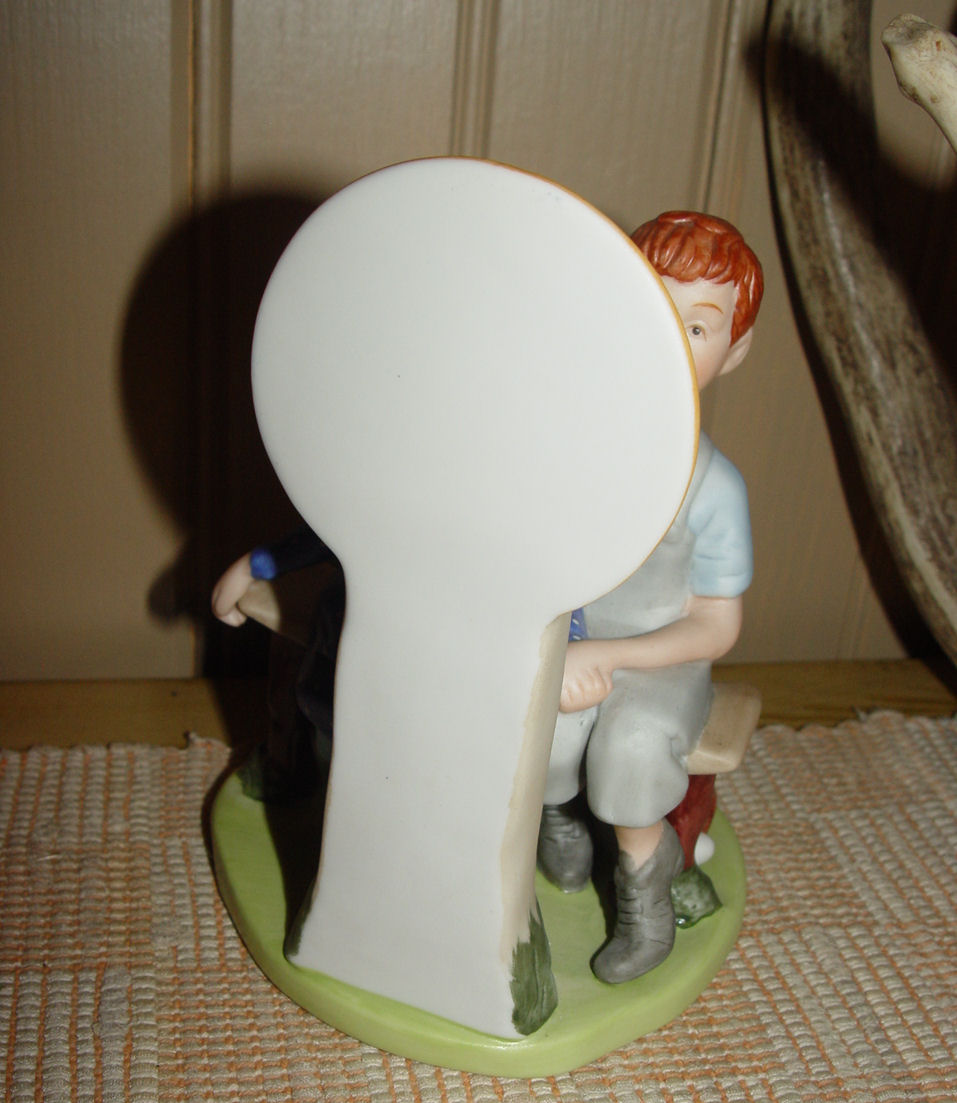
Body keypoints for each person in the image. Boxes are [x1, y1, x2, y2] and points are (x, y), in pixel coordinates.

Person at [538, 210, 763, 984]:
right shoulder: (570, 453)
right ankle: (557, 818)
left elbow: (715, 624)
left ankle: (644, 888)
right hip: (568, 639)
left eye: (696, 326)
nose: (668, 338)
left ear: (733, 349)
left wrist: (609, 656)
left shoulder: (713, 488)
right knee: (541, 732)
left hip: (659, 659)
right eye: (652, 307)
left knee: (630, 748)